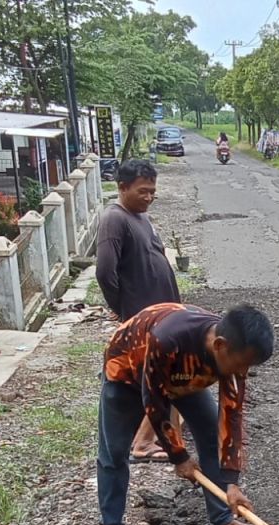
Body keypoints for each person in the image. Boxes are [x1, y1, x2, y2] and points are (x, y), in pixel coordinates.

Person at [95, 302, 275, 525]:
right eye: (241, 364)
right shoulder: (168, 340)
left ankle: (222, 519)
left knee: (212, 434)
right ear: (220, 346)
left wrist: (231, 483)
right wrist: (179, 456)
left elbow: (232, 417)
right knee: (114, 450)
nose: (243, 372)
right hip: (127, 369)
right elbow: (154, 402)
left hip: (184, 376)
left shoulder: (231, 355)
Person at [95, 158, 182, 463]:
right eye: (143, 191)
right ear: (122, 187)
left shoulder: (141, 218)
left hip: (164, 315)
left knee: (169, 376)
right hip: (144, 320)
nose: (148, 197)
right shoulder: (114, 219)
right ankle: (143, 443)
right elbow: (105, 272)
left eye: (152, 192)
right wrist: (124, 312)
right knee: (164, 379)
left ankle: (167, 435)